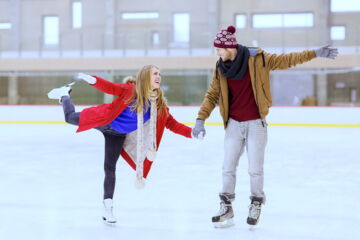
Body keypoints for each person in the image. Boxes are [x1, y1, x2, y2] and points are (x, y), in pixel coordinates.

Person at [192, 26, 338, 228]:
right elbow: (212, 95)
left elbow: (287, 60)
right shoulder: (220, 67)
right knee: (227, 167)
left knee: (255, 169)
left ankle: (255, 203)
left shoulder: (258, 58)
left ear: (230, 47)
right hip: (233, 123)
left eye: (218, 49)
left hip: (256, 123)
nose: (216, 52)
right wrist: (201, 119)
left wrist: (315, 53)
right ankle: (226, 207)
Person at [47, 65, 198, 224]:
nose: (159, 76)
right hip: (104, 119)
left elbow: (172, 124)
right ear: (145, 77)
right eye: (155, 73)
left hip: (117, 135)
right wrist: (92, 79)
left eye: (160, 74)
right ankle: (64, 95)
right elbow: (110, 88)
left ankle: (108, 208)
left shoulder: (159, 106)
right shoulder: (130, 90)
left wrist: (191, 132)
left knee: (109, 167)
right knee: (69, 118)